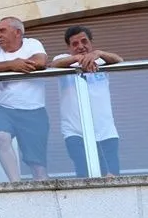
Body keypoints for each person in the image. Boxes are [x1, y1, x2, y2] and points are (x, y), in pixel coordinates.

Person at [0, 17, 49, 182]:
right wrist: (11, 65)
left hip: (33, 111)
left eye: (2, 31)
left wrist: (14, 65)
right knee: (1, 136)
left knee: (38, 167)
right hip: (5, 108)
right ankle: (15, 183)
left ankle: (43, 189)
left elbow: (41, 61)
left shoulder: (32, 44)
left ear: (17, 32)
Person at [51, 25, 123, 177]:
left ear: (91, 43)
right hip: (75, 133)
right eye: (75, 44)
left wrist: (99, 53)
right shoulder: (63, 61)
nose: (80, 46)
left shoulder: (102, 61)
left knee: (113, 178)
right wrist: (78, 59)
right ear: (69, 47)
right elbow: (54, 65)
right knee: (86, 176)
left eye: (84, 41)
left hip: (106, 132)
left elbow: (119, 60)